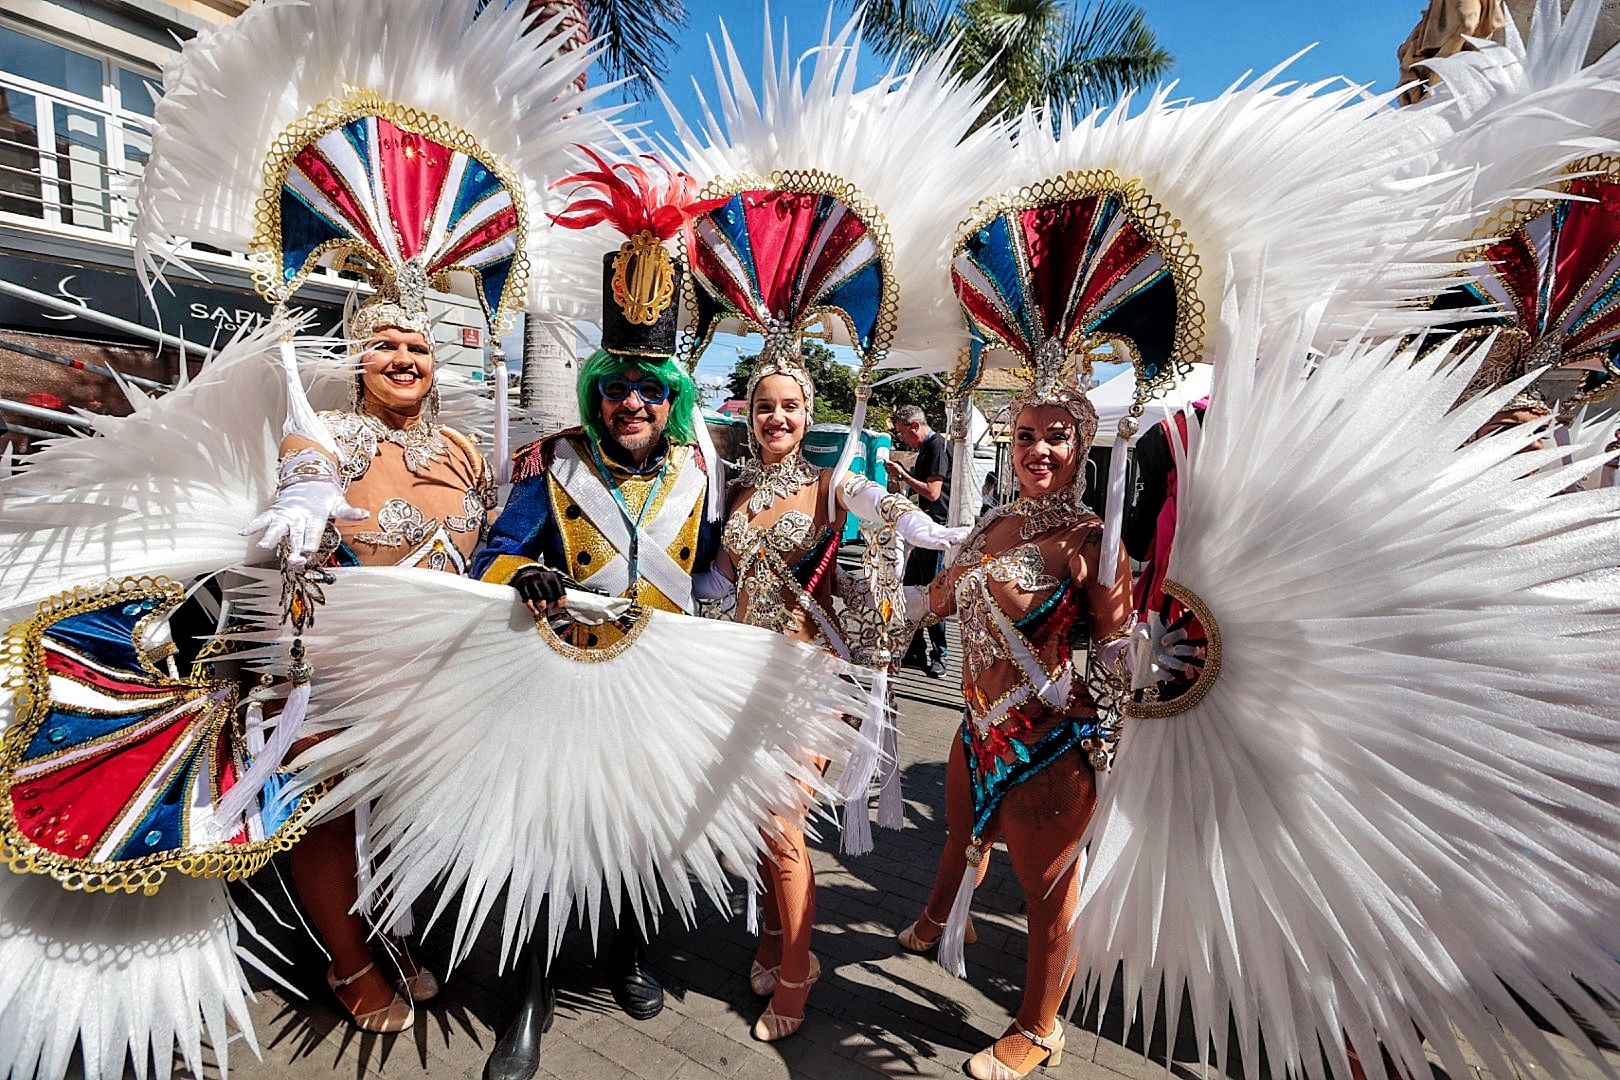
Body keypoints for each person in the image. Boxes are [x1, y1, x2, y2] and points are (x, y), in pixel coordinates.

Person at [469, 155, 723, 1080]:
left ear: (673, 402)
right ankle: (526, 1003)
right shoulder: (558, 464)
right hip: (561, 673)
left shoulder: (699, 476)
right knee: (547, 842)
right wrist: (526, 573)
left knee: (641, 834)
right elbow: (491, 552)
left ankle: (626, 954)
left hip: (659, 684)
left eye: (651, 391)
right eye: (618, 387)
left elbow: (714, 572)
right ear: (598, 391)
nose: (632, 404)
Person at [247, 294, 496, 1033]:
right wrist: (308, 498)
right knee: (332, 813)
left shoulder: (463, 449)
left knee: (397, 815)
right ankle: (348, 964)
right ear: (358, 357)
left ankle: (388, 932)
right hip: (339, 660)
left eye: (416, 347)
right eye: (384, 344)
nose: (403, 360)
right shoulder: (326, 434)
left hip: (435, 665)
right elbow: (307, 473)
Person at [896, 375, 1132, 1079]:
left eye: (1056, 436)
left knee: (1048, 893)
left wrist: (1109, 687)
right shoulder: (995, 523)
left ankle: (1040, 1026)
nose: (1038, 450)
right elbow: (937, 600)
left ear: (1082, 446)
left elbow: (1120, 652)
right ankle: (940, 920)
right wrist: (881, 584)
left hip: (1047, 751)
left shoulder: (1093, 539)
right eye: (1025, 435)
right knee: (963, 833)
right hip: (977, 730)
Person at [889, 404, 953, 677]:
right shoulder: (927, 448)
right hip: (923, 527)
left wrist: (904, 475)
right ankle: (915, 647)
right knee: (910, 587)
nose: (902, 439)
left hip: (934, 529)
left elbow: (933, 493)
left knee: (932, 591)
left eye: (903, 433)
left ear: (915, 426)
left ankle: (940, 653)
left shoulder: (937, 446)